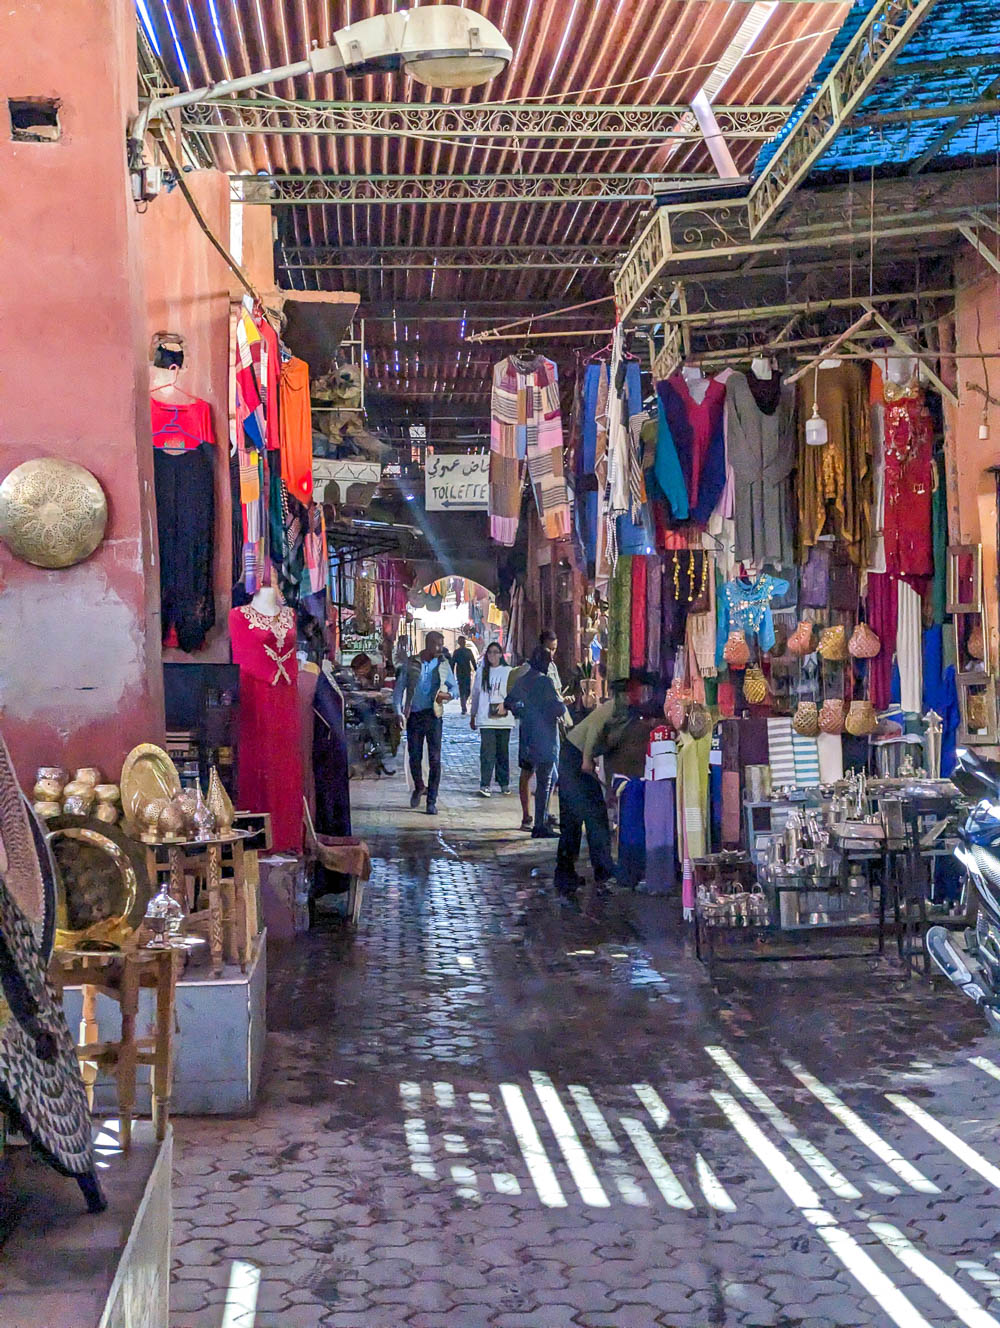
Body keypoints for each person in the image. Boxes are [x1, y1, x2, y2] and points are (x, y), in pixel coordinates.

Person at [393, 630, 457, 815]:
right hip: (414, 715)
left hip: (434, 716)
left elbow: (455, 688)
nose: (440, 648)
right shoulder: (411, 664)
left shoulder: (444, 664)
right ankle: (419, 786)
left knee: (435, 759)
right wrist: (398, 712)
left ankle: (431, 801)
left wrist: (449, 695)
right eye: (437, 644)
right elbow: (399, 690)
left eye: (441, 644)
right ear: (428, 644)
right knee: (415, 756)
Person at [505, 645, 567, 839]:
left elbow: (509, 702)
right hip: (546, 738)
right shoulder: (545, 682)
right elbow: (558, 709)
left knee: (544, 779)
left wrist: (522, 710)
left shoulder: (523, 680)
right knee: (545, 781)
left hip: (528, 737)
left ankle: (541, 821)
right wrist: (561, 704)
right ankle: (540, 824)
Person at [470, 642, 514, 797]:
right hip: (485, 718)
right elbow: (475, 694)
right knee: (487, 752)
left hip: (504, 719)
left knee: (503, 752)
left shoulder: (508, 671)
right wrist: (473, 714)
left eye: (496, 652)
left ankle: (504, 783)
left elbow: (513, 693)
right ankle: (485, 784)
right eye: (490, 653)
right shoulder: (482, 672)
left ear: (501, 655)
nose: (492, 656)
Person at [452, 635, 477, 715]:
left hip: (466, 672)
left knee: (467, 690)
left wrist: (477, 670)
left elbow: (473, 661)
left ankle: (463, 702)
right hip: (461, 673)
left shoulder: (468, 651)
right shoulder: (457, 652)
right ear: (459, 643)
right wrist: (451, 674)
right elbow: (453, 663)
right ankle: (463, 706)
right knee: (463, 689)